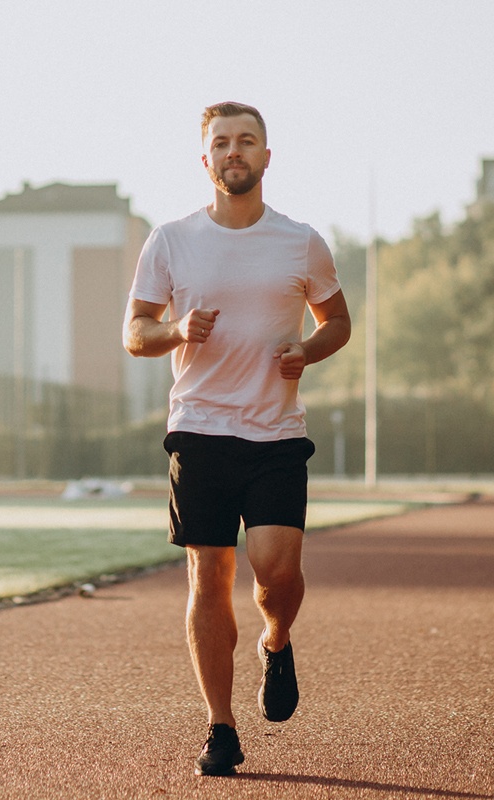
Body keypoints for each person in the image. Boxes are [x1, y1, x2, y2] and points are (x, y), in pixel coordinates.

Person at [122, 101, 351, 776]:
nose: (234, 151)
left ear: (266, 156)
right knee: (209, 575)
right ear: (206, 160)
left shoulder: (301, 241)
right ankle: (220, 728)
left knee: (277, 576)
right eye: (221, 142)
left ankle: (276, 641)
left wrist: (306, 353)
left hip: (277, 433)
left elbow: (337, 321)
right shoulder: (170, 240)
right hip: (200, 430)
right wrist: (176, 330)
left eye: (246, 141)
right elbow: (135, 332)